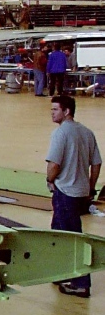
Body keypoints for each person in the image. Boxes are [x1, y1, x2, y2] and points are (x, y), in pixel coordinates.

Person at [46, 95, 101, 298]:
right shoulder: (86, 133)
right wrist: (90, 187)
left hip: (65, 193)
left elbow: (54, 165)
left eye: (55, 110)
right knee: (59, 234)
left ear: (66, 111)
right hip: (80, 193)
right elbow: (96, 163)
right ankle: (61, 272)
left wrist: (50, 179)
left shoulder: (61, 134)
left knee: (71, 238)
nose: (51, 113)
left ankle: (80, 283)